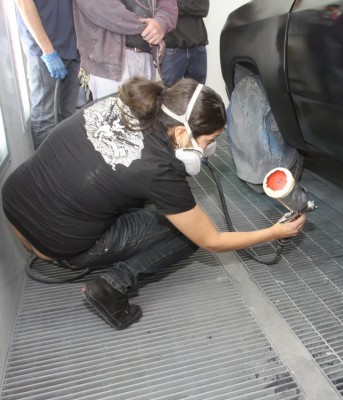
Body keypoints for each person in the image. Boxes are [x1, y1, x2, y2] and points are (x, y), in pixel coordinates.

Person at [1, 77, 307, 330]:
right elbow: (212, 240)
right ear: (182, 133)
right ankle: (113, 285)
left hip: (15, 204)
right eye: (209, 139)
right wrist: (274, 234)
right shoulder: (160, 170)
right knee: (187, 237)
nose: (211, 148)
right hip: (58, 245)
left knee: (139, 200)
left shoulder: (121, 101)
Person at [72, 0, 178, 99]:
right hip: (109, 65)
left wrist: (161, 23)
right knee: (112, 116)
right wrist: (149, 28)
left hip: (146, 57)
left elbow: (168, 5)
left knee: (144, 115)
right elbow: (105, 9)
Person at [15, 0, 80, 149]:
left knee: (67, 115)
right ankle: (45, 170)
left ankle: (64, 164)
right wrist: (47, 50)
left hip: (72, 43)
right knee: (46, 118)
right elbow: (23, 2)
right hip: (45, 49)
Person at [160, 0, 209, 86]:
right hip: (172, 48)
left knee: (197, 94)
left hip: (198, 46)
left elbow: (203, 7)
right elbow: (162, 7)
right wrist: (191, 4)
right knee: (170, 95)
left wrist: (173, 5)